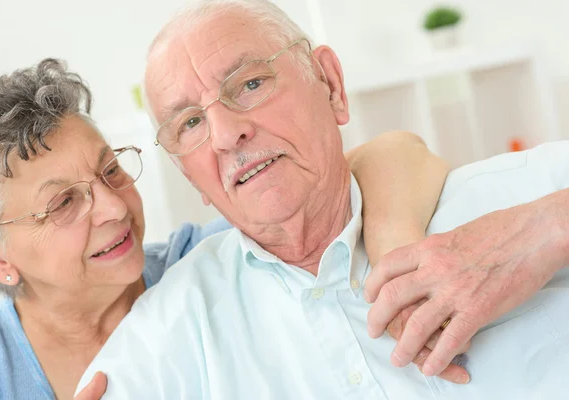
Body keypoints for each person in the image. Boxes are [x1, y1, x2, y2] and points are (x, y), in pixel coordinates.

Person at [76, 1, 569, 399]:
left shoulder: (520, 196)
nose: (226, 135)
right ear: (188, 174)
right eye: (190, 123)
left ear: (330, 84)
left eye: (249, 84)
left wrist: (544, 231)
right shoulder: (167, 333)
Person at [0, 59, 451, 400]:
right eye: (64, 203)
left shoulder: (210, 263)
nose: (114, 207)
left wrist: (394, 249)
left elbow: (395, 152)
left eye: (110, 170)